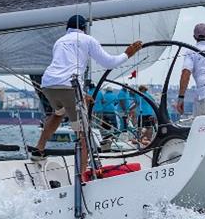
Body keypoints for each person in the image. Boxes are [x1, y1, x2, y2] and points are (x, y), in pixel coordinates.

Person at [31, 15, 142, 176]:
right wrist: (127, 54)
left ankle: (38, 150)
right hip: (69, 86)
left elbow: (63, 68)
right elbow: (109, 63)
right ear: (84, 28)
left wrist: (82, 94)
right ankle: (82, 174)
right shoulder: (87, 39)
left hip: (48, 84)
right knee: (83, 133)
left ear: (67, 28)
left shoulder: (59, 41)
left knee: (58, 113)